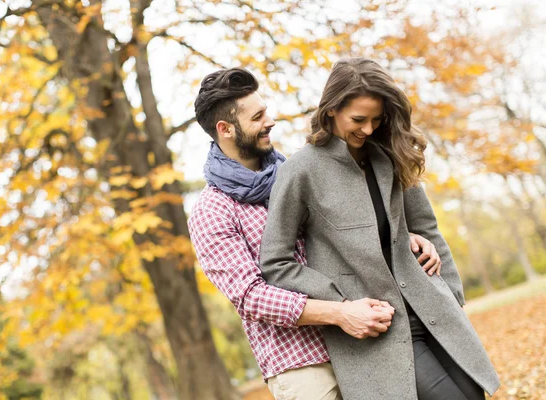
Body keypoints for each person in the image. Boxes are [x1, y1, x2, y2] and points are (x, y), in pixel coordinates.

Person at [188, 67, 444, 400]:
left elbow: (351, 230)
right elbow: (250, 296)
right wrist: (340, 314)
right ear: (225, 129)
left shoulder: (299, 172)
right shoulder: (212, 210)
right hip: (302, 363)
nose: (271, 121)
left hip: (363, 343)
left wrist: (402, 237)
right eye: (258, 117)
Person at [258, 57, 500, 400]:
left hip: (431, 306)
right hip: (379, 330)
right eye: (358, 119)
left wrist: (453, 297)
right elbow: (275, 262)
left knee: (473, 395)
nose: (368, 130)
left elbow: (426, 228)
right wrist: (342, 301)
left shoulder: (389, 154)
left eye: (376, 119)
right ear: (330, 110)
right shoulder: (300, 171)